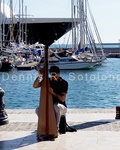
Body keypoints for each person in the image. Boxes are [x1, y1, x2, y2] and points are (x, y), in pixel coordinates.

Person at [33, 65, 68, 131]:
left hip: (61, 107)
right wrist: (40, 76)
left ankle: (55, 128)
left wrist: (53, 93)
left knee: (56, 107)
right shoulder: (48, 81)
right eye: (52, 75)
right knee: (38, 110)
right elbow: (35, 86)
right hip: (50, 105)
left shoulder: (64, 83)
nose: (54, 77)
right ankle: (45, 126)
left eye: (56, 75)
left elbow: (63, 99)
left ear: (59, 74)